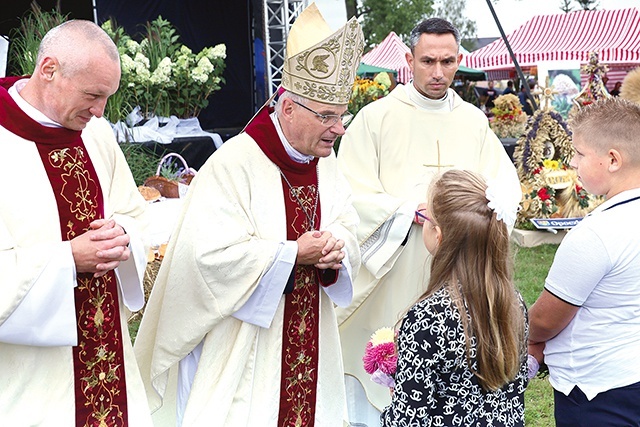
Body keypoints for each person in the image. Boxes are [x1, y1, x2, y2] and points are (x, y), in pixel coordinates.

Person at [133, 4, 363, 426]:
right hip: (247, 345)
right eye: (327, 116)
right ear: (288, 107)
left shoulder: (325, 160)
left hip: (312, 336)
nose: (339, 128)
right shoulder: (234, 163)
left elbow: (348, 221)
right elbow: (207, 260)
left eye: (341, 116)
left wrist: (337, 249)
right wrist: (292, 254)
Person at [335, 17, 521, 425]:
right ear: (408, 59)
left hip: (461, 267)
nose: (439, 73)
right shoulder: (376, 118)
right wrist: (405, 211)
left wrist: (476, 211)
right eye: (428, 61)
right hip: (395, 265)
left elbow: (504, 187)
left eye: (448, 62)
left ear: (459, 60)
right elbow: (347, 192)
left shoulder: (473, 120)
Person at [0, 20, 152, 425]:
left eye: (107, 97)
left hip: (108, 357)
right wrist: (68, 259)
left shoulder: (96, 135)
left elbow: (134, 214)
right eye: (93, 95)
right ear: (48, 70)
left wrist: (121, 235)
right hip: (32, 379)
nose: (101, 111)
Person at [381, 169, 527, 426]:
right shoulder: (514, 303)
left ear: (438, 235)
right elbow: (514, 391)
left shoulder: (428, 317)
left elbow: (408, 420)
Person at [528, 97, 640, 426]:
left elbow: (546, 320)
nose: (573, 163)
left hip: (596, 390)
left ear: (613, 159)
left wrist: (528, 337)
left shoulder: (596, 232)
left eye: (579, 153)